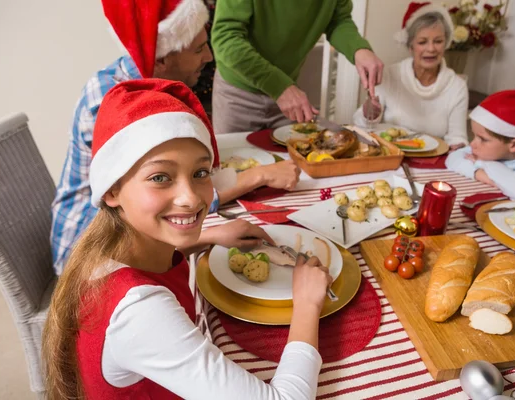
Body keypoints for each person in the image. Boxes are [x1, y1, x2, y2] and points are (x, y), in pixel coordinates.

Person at [42, 79, 332, 400]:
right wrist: (307, 304)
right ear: (112, 190)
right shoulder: (140, 313)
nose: (191, 198)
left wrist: (209, 236)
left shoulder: (109, 248)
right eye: (160, 177)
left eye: (200, 173)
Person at [51, 0, 300, 275]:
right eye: (198, 49)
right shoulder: (117, 105)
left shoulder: (156, 90)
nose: (208, 57)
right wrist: (257, 178)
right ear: (161, 58)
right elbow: (156, 201)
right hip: (91, 254)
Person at [211, 0, 384, 134]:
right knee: (231, 171)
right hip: (237, 94)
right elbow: (226, 38)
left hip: (287, 94)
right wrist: (280, 87)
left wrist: (358, 49)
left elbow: (337, 20)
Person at [353, 2, 469, 149]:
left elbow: (457, 137)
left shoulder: (456, 86)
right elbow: (361, 124)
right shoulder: (390, 75)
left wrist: (458, 147)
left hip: (432, 161)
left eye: (438, 41)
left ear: (446, 44)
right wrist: (369, 113)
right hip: (389, 155)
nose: (431, 49)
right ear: (410, 46)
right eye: (422, 42)